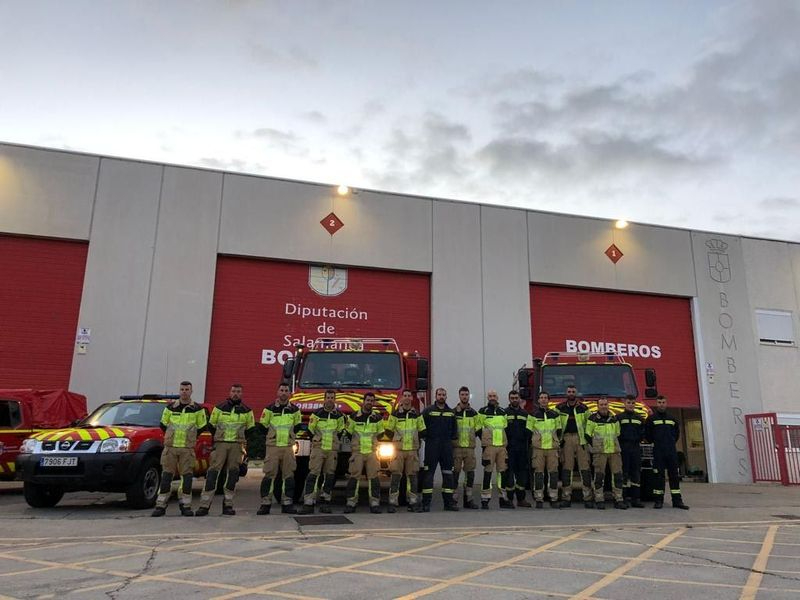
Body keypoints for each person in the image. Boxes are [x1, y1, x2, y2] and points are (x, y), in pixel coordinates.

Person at [196, 383, 255, 516]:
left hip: (236, 445)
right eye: (233, 391)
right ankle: (204, 506)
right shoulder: (219, 408)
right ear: (229, 392)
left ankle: (228, 505)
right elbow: (211, 425)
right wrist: (218, 438)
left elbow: (251, 430)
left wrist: (242, 443)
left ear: (242, 394)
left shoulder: (247, 410)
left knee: (232, 475)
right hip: (220, 444)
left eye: (238, 391)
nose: (235, 394)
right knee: (212, 473)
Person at [152, 381, 207, 517]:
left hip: (187, 449)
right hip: (170, 448)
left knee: (187, 477)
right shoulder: (170, 408)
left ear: (191, 391)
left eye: (187, 389)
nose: (184, 392)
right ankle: (160, 506)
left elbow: (202, 427)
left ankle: (185, 505)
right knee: (166, 476)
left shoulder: (198, 409)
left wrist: (191, 438)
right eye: (182, 389)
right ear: (179, 391)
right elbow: (163, 424)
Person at [257, 382, 302, 515]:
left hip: (288, 447)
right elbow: (262, 427)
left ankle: (287, 503)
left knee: (288, 476)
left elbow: (298, 426)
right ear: (277, 392)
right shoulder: (269, 409)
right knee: (269, 475)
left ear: (289, 393)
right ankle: (265, 504)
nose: (283, 393)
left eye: (286, 390)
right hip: (273, 447)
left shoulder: (295, 410)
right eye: (281, 390)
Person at [299, 389, 345, 514]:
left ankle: (325, 502)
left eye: (332, 397)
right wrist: (316, 441)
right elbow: (310, 430)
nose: (330, 400)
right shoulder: (316, 414)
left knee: (329, 476)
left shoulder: (339, 416)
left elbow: (341, 431)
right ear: (324, 399)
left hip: (332, 450)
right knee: (313, 474)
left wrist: (335, 442)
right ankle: (308, 502)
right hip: (318, 449)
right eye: (328, 397)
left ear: (335, 399)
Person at [385, 389, 426, 512]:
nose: (407, 398)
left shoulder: (417, 415)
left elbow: (423, 430)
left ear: (412, 398)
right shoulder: (395, 414)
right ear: (401, 398)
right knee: (396, 476)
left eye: (409, 395)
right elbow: (388, 431)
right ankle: (392, 502)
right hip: (398, 450)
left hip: (412, 450)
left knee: (413, 477)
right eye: (405, 396)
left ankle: (413, 502)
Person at [645, 395, 689, 510]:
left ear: (666, 403)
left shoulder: (672, 419)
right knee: (658, 477)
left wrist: (670, 442)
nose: (661, 404)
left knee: (674, 476)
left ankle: (677, 501)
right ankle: (658, 501)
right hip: (658, 451)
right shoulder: (651, 419)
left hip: (671, 451)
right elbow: (648, 435)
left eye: (663, 402)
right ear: (657, 403)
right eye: (659, 402)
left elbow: (676, 434)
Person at [344, 392, 385, 513]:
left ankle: (374, 504)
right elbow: (348, 432)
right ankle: (351, 503)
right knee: (354, 478)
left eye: (372, 401)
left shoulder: (377, 418)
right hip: (357, 452)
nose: (370, 402)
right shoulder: (354, 416)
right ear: (363, 401)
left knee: (374, 479)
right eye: (368, 400)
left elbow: (381, 433)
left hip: (372, 453)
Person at [420, 388, 459, 512]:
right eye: (439, 394)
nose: (441, 396)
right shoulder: (428, 411)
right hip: (432, 447)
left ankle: (448, 503)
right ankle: (426, 504)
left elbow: (454, 431)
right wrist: (429, 439)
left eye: (443, 395)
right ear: (435, 396)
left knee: (448, 475)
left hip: (446, 447)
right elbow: (421, 427)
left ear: (446, 396)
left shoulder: (451, 413)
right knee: (428, 475)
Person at [585, 397, 627, 510]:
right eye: (601, 405)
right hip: (600, 452)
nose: (604, 406)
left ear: (608, 405)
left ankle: (618, 499)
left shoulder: (614, 418)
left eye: (605, 404)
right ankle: (599, 499)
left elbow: (617, 433)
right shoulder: (592, 419)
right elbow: (588, 435)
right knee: (599, 476)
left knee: (617, 476)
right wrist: (595, 448)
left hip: (614, 451)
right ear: (598, 406)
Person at [555, 385, 593, 508]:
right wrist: (559, 440)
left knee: (585, 469)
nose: (571, 393)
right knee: (567, 469)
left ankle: (587, 498)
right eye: (569, 391)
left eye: (573, 391)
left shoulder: (584, 408)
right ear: (566, 393)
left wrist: (587, 439)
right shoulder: (559, 408)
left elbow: (590, 424)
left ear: (576, 393)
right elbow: (555, 425)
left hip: (580, 439)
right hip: (566, 439)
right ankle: (566, 497)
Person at [527, 391, 562, 508]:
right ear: (538, 400)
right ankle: (539, 498)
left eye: (545, 398)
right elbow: (528, 431)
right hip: (538, 449)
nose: (543, 400)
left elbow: (559, 431)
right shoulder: (532, 415)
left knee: (553, 474)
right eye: (541, 398)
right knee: (538, 474)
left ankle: (553, 497)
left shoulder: (555, 415)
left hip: (552, 448)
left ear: (548, 400)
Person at [476, 390, 508, 509]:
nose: (492, 398)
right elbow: (478, 428)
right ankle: (485, 499)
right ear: (487, 397)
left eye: (494, 396)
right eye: (490, 396)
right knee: (488, 473)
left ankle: (502, 498)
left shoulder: (503, 412)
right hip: (489, 447)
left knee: (502, 473)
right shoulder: (482, 411)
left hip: (501, 447)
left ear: (497, 397)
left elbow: (506, 428)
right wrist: (485, 440)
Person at [502, 389, 532, 508]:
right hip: (509, 448)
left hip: (522, 449)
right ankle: (509, 499)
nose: (514, 400)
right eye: (512, 398)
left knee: (522, 475)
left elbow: (529, 431)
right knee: (509, 475)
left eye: (516, 398)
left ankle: (521, 499)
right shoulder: (504, 413)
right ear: (509, 399)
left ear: (519, 399)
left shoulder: (525, 414)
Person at [452, 386, 480, 509]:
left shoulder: (474, 414)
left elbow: (479, 431)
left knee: (470, 474)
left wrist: (485, 447)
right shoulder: (453, 413)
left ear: (469, 396)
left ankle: (468, 499)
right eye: (462, 394)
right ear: (459, 396)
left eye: (466, 395)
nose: (464, 397)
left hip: (469, 448)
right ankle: (453, 500)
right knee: (455, 474)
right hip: (456, 448)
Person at [618, 395, 645, 508]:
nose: (630, 404)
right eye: (629, 402)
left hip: (635, 447)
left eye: (632, 403)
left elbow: (643, 432)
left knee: (636, 473)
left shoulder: (639, 418)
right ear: (625, 403)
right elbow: (616, 432)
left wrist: (638, 439)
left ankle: (636, 499)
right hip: (623, 447)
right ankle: (623, 498)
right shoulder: (619, 417)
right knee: (623, 473)